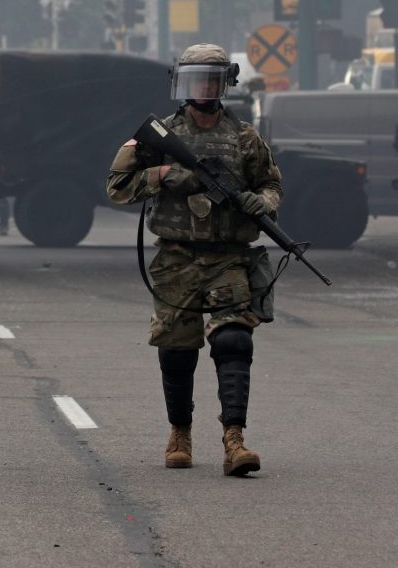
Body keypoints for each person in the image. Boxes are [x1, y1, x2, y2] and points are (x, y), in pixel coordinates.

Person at [106, 43, 283, 477]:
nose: (203, 89)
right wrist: (164, 174)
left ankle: (234, 440)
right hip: (177, 259)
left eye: (211, 80)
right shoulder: (162, 135)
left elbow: (272, 185)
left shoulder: (245, 138)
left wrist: (260, 202)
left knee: (234, 341)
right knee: (177, 351)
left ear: (226, 83)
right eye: (196, 80)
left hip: (228, 258)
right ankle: (180, 433)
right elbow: (117, 186)